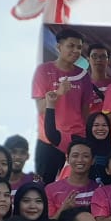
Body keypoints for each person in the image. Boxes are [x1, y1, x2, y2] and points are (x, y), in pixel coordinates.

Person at [32, 29, 91, 183]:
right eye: (71, 46)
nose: (76, 51)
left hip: (76, 140)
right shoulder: (43, 70)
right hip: (48, 139)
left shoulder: (84, 75)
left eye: (79, 47)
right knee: (43, 186)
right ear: (59, 47)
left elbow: (85, 110)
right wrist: (59, 93)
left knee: (75, 184)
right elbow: (40, 108)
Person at [45, 139, 97, 214]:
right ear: (67, 159)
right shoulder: (50, 189)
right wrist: (63, 209)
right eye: (75, 156)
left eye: (85, 156)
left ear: (93, 160)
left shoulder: (99, 190)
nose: (80, 160)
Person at [83, 112, 111, 182]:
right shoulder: (82, 152)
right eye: (96, 125)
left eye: (104, 125)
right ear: (89, 127)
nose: (101, 128)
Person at [86, 44, 111, 115]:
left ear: (109, 61)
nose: (98, 59)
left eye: (103, 56)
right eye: (94, 56)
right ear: (88, 59)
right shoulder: (82, 85)